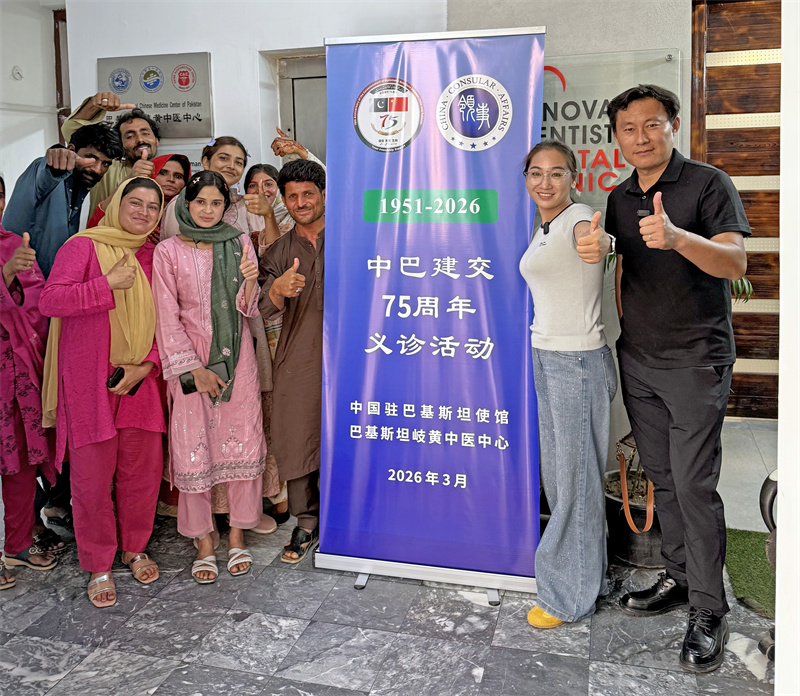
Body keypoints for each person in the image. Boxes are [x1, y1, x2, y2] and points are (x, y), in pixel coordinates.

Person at [606, 85, 750, 673]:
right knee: (662, 478)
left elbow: (735, 262)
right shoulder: (618, 198)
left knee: (693, 485)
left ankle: (710, 609)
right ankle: (680, 577)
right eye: (628, 128)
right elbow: (625, 274)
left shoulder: (708, 184)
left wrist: (678, 238)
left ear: (673, 125)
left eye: (652, 124)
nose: (641, 137)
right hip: (639, 359)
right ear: (617, 137)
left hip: (695, 361)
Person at [39, 177, 167, 608]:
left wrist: (147, 365)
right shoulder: (83, 246)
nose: (144, 212)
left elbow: (168, 319)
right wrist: (105, 284)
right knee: (91, 479)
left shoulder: (154, 254)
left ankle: (134, 547)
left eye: (153, 206)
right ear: (116, 203)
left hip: (139, 381)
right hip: (89, 382)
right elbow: (51, 301)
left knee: (141, 472)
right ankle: (98, 562)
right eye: (136, 202)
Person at [518, 141, 616, 629]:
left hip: (576, 362)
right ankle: (589, 579)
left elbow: (597, 240)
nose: (546, 182)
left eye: (556, 173)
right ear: (526, 179)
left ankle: (567, 599)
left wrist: (604, 244)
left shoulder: (578, 218)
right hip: (549, 356)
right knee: (563, 480)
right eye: (536, 173)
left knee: (573, 482)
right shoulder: (545, 227)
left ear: (573, 178)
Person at [152, 171, 266, 583]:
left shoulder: (238, 241)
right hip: (188, 362)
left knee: (243, 440)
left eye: (216, 203)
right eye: (200, 201)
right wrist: (192, 370)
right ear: (187, 203)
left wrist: (250, 283)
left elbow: (248, 310)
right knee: (192, 445)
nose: (207, 210)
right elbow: (166, 314)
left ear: (225, 207)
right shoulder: (167, 251)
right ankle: (203, 539)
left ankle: (236, 534)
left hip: (237, 358)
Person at [258, 159, 326, 563]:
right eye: (293, 196)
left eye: (308, 194)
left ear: (323, 195)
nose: (301, 203)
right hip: (300, 355)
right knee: (298, 432)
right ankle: (306, 520)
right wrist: (278, 290)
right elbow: (259, 307)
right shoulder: (279, 251)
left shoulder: (353, 235)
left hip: (360, 355)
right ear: (284, 201)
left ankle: (350, 512)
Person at [1, 225, 59, 586]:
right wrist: (6, 274)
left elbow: (39, 305)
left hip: (18, 371)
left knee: (19, 461)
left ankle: (17, 545)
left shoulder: (12, 244)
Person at [3, 123, 123, 278]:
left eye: (105, 163)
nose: (97, 169)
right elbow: (46, 171)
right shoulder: (43, 170)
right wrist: (57, 158)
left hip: (47, 286)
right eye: (91, 158)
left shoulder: (80, 189)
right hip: (16, 284)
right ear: (71, 150)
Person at [61, 93, 159, 210]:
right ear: (120, 145)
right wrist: (93, 105)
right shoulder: (106, 166)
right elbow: (72, 131)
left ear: (156, 141)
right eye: (130, 136)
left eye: (145, 133)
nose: (140, 140)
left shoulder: (168, 173)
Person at [86, 154, 191, 231]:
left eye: (178, 176)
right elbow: (95, 226)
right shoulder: (130, 212)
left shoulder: (190, 217)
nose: (171, 179)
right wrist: (130, 178)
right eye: (163, 173)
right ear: (150, 175)